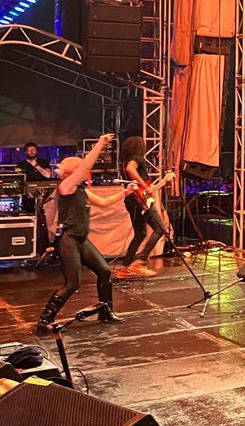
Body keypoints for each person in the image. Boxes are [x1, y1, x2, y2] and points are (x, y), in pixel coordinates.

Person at [36, 133, 132, 333]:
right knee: (73, 283)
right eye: (80, 171)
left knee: (104, 271)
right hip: (68, 239)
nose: (86, 174)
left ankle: (106, 312)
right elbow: (85, 166)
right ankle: (44, 321)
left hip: (81, 239)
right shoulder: (66, 187)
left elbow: (104, 203)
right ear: (73, 172)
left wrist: (125, 192)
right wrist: (100, 144)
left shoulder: (80, 190)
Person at [114, 136, 168, 278]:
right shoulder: (137, 159)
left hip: (132, 200)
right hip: (140, 200)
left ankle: (125, 268)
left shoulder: (125, 160)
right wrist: (143, 185)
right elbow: (130, 169)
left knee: (140, 234)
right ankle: (140, 260)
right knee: (161, 228)